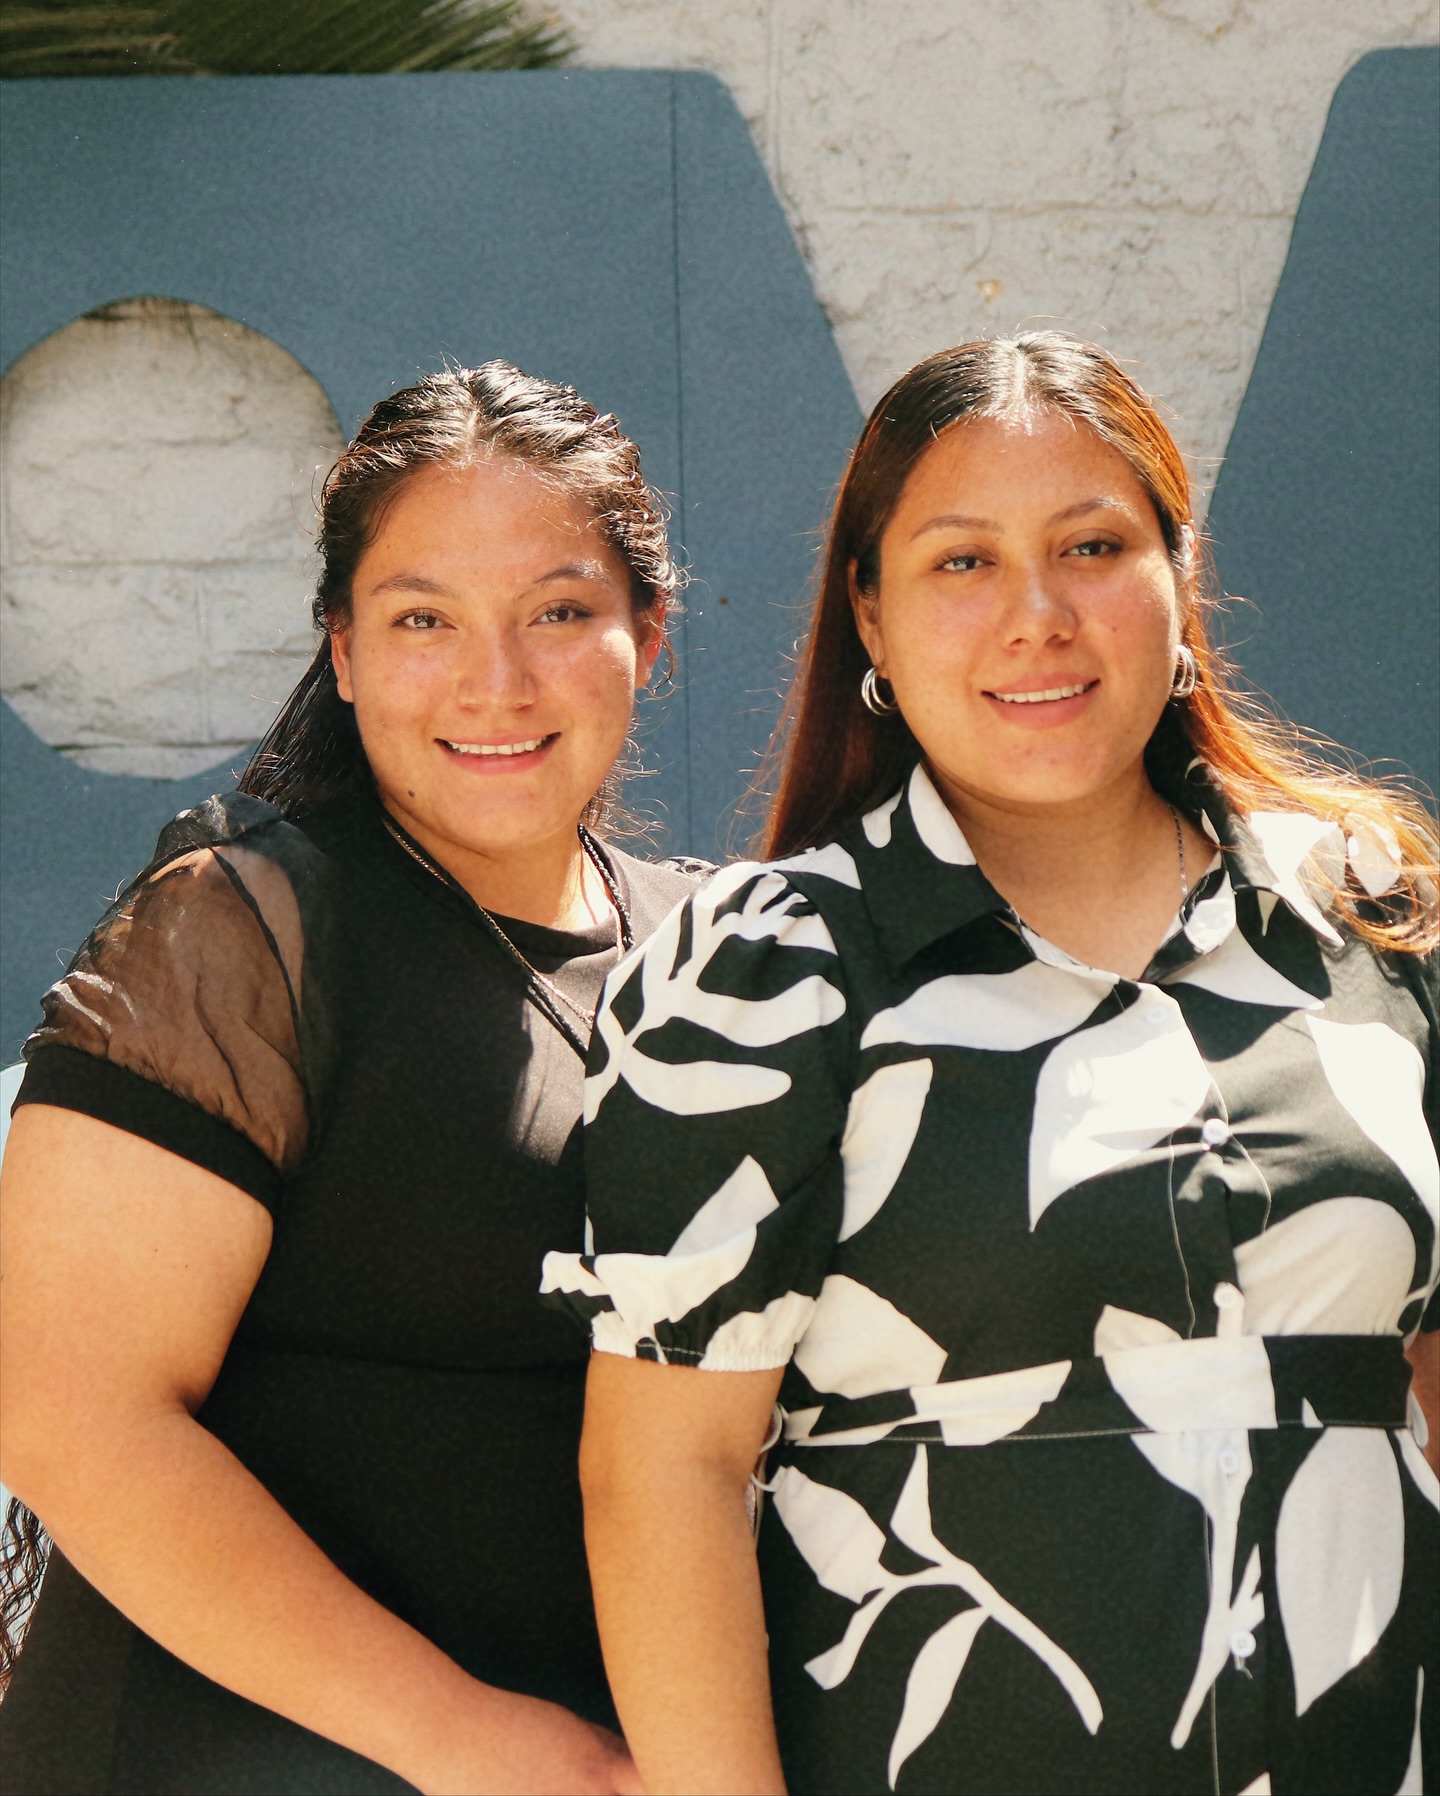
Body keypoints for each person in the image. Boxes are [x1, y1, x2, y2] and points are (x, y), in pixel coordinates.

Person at [545, 334, 1440, 1796]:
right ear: (871, 615)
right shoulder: (766, 972)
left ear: (1178, 576)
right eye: (963, 562)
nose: (1039, 617)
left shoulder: (1368, 910)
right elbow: (663, 1479)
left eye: (1093, 546)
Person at [0, 363, 708, 1795]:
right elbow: (71, 1414)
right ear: (340, 648)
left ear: (650, 631)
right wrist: (479, 1744)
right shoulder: (242, 933)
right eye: (421, 619)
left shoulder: (724, 949)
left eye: (557, 612)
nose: (495, 681)